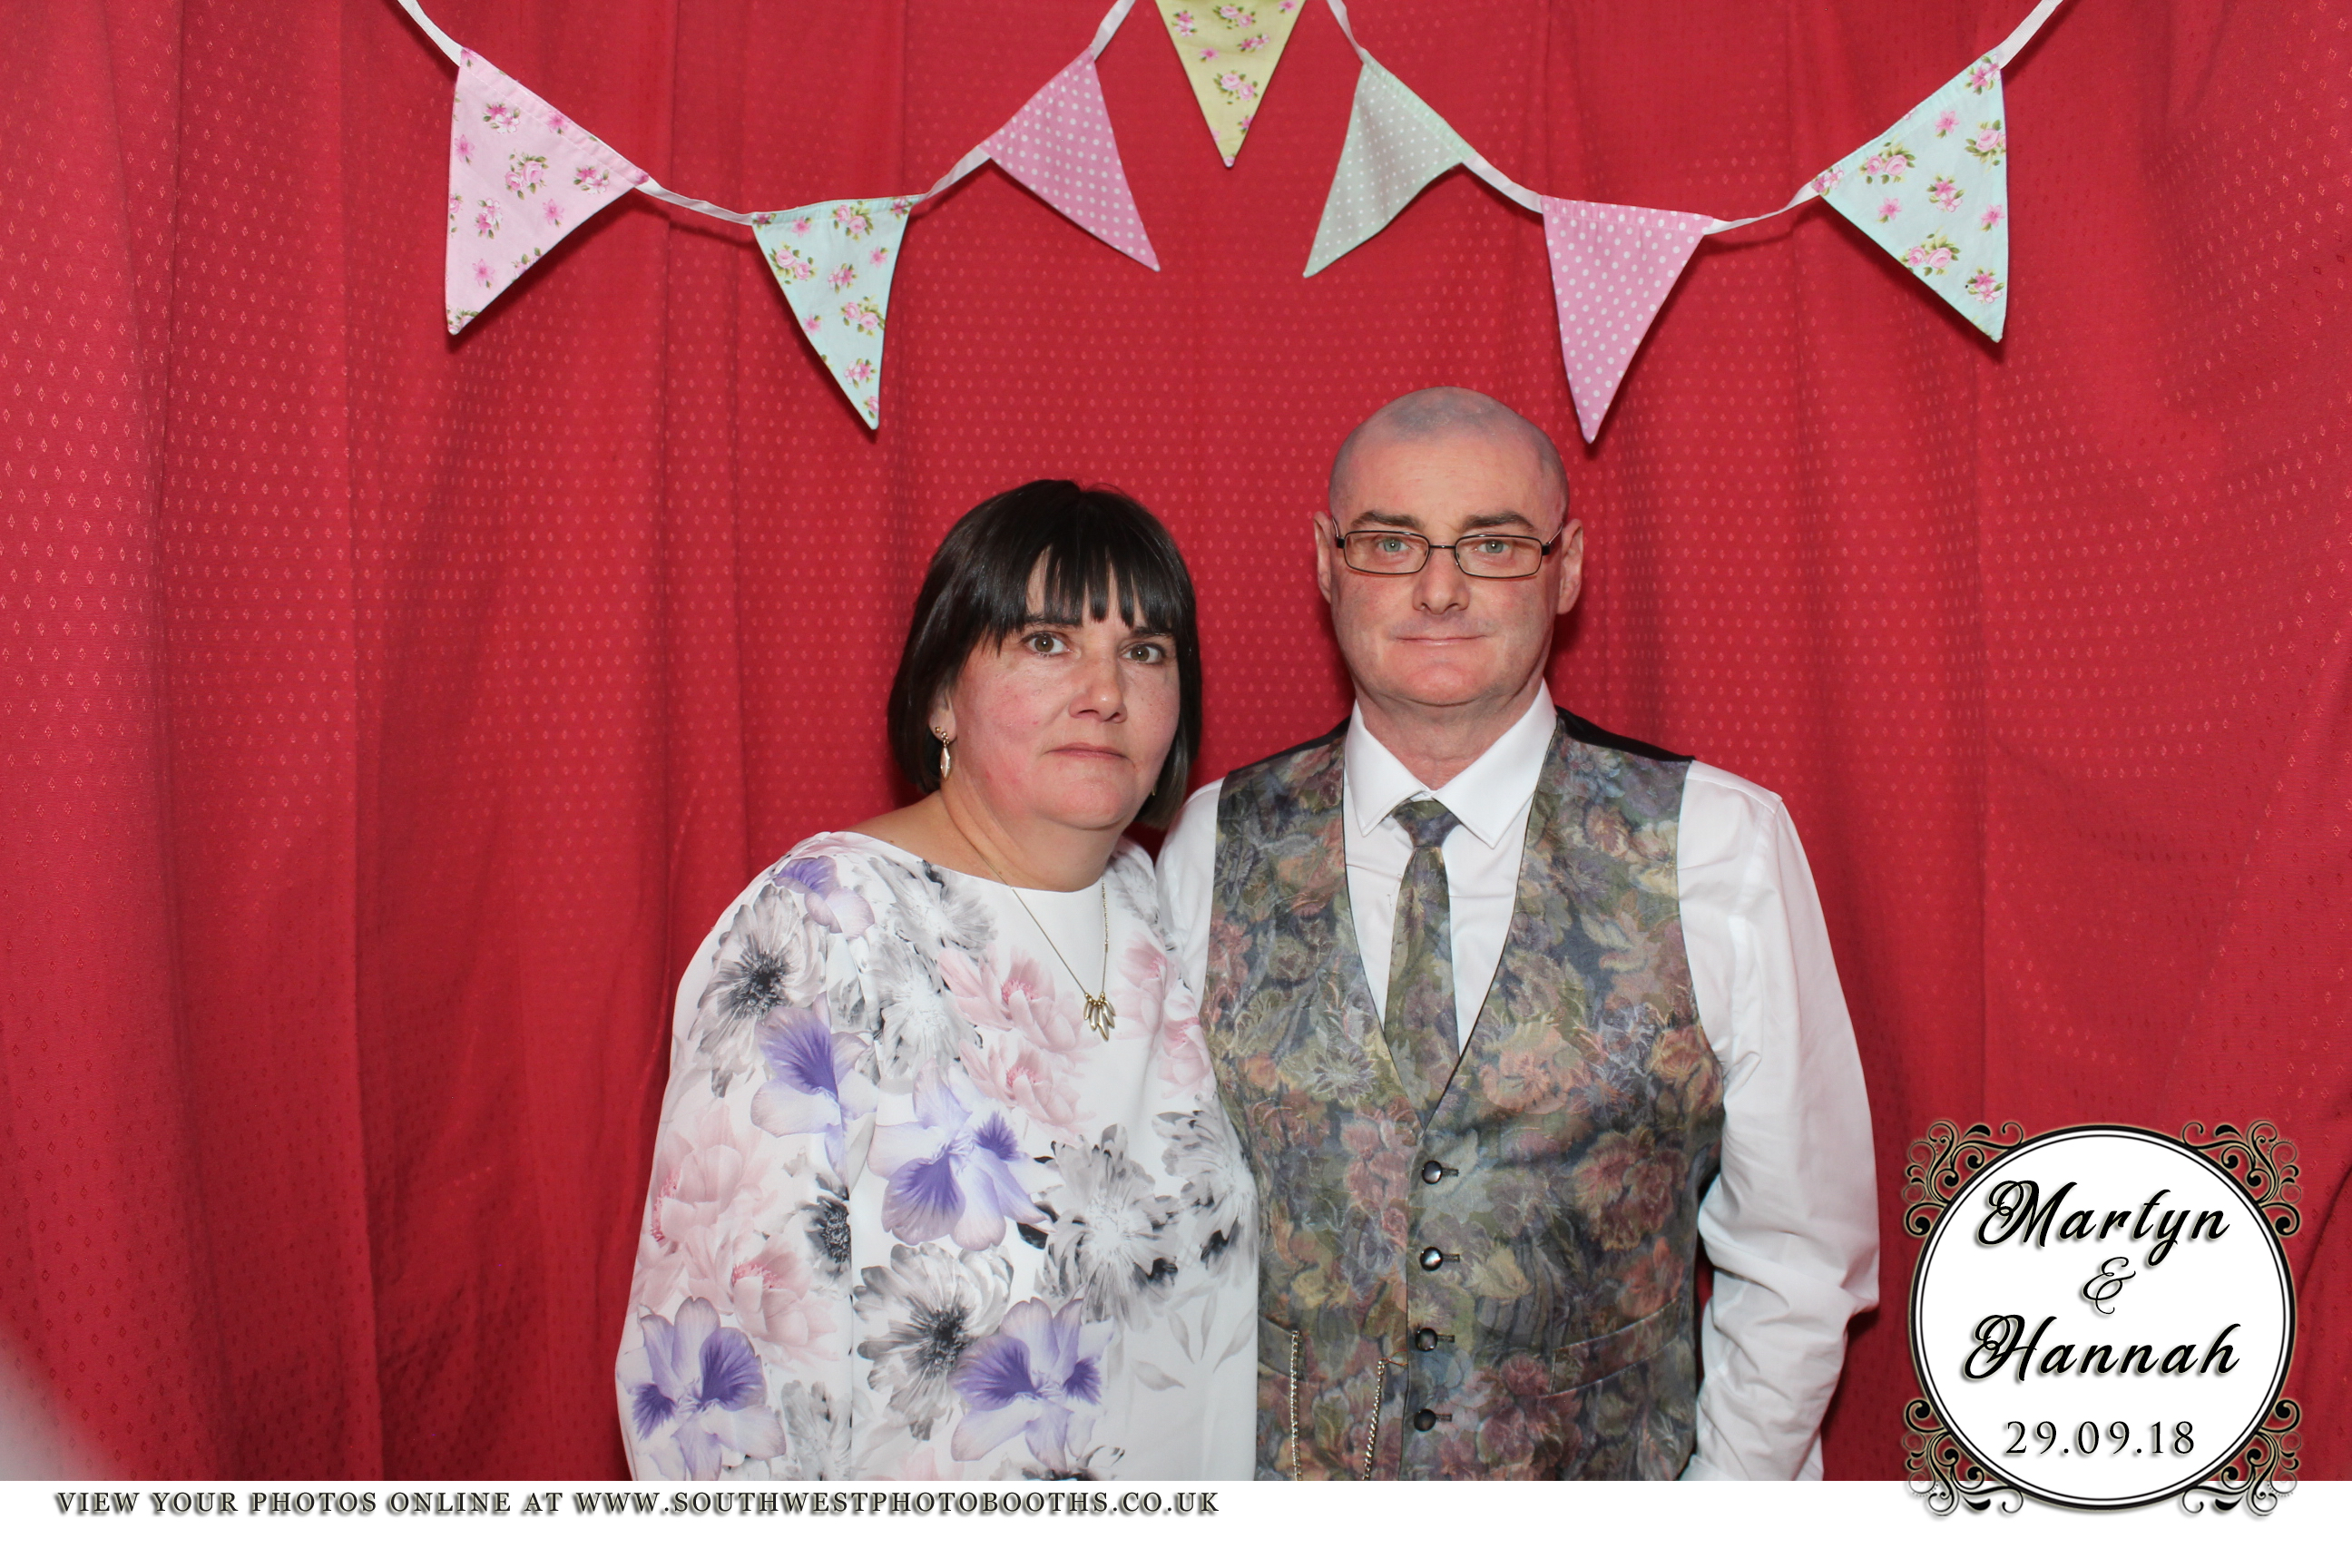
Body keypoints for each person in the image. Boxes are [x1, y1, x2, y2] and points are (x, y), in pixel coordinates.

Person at [1158, 388, 1879, 1480]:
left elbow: (1799, 1255)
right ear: (1326, 561)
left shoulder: (1717, 840)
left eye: (1492, 544)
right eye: (1391, 542)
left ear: (1567, 565)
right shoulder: (1215, 839)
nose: (1439, 588)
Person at [618, 481, 1256, 1482]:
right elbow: (719, 1382)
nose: (1105, 691)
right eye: (1046, 642)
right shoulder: (821, 924)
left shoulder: (1156, 907)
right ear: (940, 697)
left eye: (1144, 651)